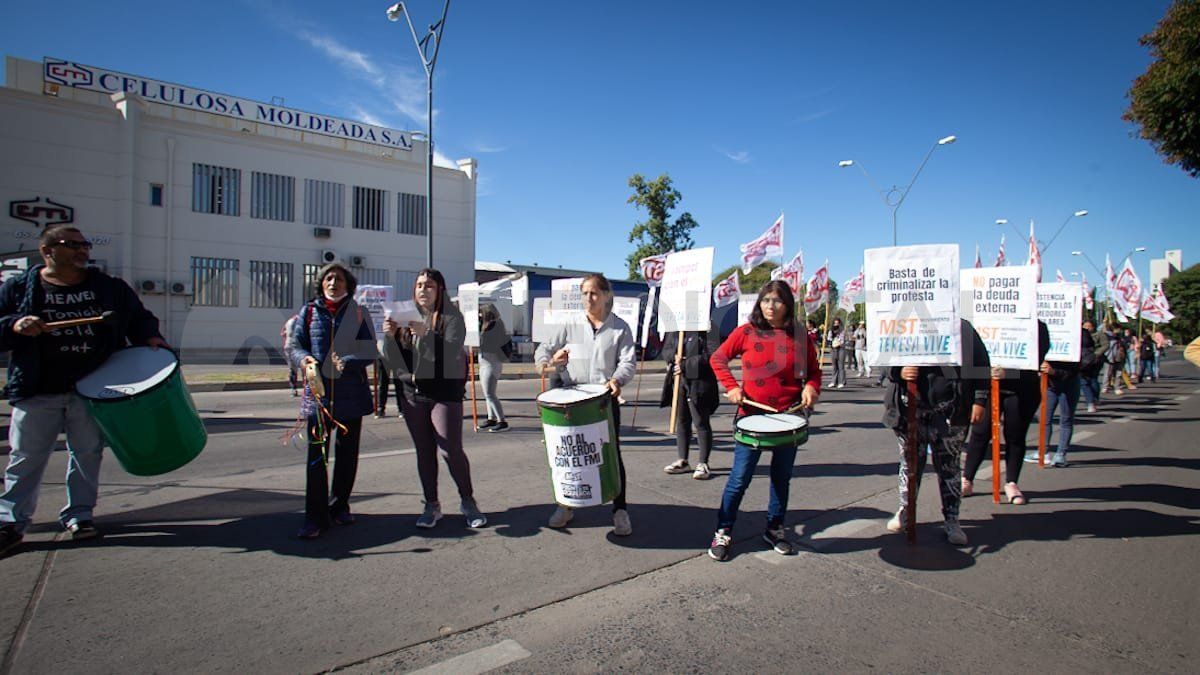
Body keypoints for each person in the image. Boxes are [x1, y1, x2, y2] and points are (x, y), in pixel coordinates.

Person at [0, 226, 168, 556]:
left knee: (86, 454)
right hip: (37, 389)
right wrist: (14, 325)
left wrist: (151, 339)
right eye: (72, 245)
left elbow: (139, 319)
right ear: (48, 251)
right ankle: (11, 523)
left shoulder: (109, 288)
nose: (82, 251)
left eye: (84, 245)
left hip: (92, 389)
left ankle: (79, 515)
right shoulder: (20, 287)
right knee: (25, 458)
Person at [706, 280, 821, 561]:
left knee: (781, 479)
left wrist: (811, 388)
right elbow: (718, 359)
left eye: (777, 301)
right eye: (766, 300)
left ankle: (775, 528)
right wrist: (732, 387)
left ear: (787, 305)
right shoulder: (746, 332)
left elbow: (814, 371)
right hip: (752, 417)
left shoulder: (799, 335)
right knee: (739, 478)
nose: (770, 306)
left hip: (788, 418)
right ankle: (723, 529)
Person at [383, 268, 486, 529]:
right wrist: (390, 336)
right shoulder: (405, 318)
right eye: (419, 285)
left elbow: (451, 352)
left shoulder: (452, 318)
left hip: (444, 393)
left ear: (439, 289)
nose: (422, 290)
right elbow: (393, 361)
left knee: (450, 449)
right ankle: (432, 504)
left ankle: (468, 501)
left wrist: (427, 334)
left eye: (428, 285)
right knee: (424, 451)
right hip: (412, 394)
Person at [534, 274, 637, 535]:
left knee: (610, 454)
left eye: (594, 293)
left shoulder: (620, 328)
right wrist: (549, 363)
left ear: (606, 295)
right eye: (584, 293)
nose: (588, 299)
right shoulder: (569, 324)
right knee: (568, 457)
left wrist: (617, 379)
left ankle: (620, 509)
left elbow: (627, 362)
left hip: (603, 401)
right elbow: (543, 351)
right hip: (570, 401)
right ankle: (566, 505)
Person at [288, 263, 377, 539]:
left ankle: (340, 507)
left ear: (348, 285)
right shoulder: (310, 311)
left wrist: (346, 362)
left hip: (352, 395)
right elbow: (294, 345)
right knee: (317, 459)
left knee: (347, 456)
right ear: (321, 284)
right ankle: (314, 518)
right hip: (318, 399)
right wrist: (304, 359)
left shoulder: (359, 313)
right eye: (328, 278)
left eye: (339, 279)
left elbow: (370, 350)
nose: (333, 283)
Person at [882, 319, 989, 546]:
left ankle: (952, 520)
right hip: (908, 410)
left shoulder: (962, 328)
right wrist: (898, 371)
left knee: (949, 467)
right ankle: (906, 511)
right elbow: (882, 357)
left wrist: (979, 400)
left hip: (950, 412)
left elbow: (981, 363)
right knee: (909, 464)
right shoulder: (901, 323)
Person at [962, 322, 1049, 504]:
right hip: (988, 387)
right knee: (980, 433)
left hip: (1021, 389)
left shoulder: (1035, 325)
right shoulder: (984, 319)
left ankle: (1011, 483)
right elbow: (973, 356)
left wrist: (1008, 373)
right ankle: (967, 479)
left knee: (1015, 435)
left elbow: (1033, 359)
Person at [660, 330, 720, 480]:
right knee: (682, 420)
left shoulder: (709, 329)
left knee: (700, 421)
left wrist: (686, 364)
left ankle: (703, 463)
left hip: (699, 383)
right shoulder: (677, 329)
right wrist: (673, 358)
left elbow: (711, 354)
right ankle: (683, 459)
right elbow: (666, 349)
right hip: (679, 381)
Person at [1042, 322, 1085, 469]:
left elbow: (1077, 368)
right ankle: (1044, 452)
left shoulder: (1077, 338)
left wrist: (1054, 372)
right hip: (1050, 385)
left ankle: (1061, 454)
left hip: (1069, 384)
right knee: (1045, 419)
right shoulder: (1044, 335)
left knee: (1065, 419)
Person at [477, 304, 510, 432]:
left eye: (481, 313)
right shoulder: (488, 325)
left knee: (490, 394)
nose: (479, 316)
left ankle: (502, 420)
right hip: (485, 362)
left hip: (491, 363)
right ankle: (491, 418)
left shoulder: (494, 325)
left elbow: (487, 342)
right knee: (487, 394)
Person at [1080, 319, 1104, 413]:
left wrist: (1096, 354)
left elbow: (1105, 345)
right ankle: (1091, 402)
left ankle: (1094, 399)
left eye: (1089, 326)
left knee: (1093, 380)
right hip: (1082, 360)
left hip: (1093, 360)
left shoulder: (1099, 335)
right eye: (1085, 326)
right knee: (1084, 382)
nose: (1087, 328)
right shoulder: (1079, 333)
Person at [1102, 323, 1127, 395]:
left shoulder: (1119, 337)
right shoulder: (1107, 336)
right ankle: (1105, 387)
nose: (1120, 330)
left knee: (1118, 373)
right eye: (1118, 329)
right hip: (1109, 357)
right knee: (1108, 373)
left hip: (1119, 357)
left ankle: (1117, 387)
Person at [282, 314, 300, 396]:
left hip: (288, 346)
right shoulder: (301, 320)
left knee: (292, 369)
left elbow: (282, 334)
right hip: (298, 347)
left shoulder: (288, 321)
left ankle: (293, 389)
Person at [827, 318, 847, 389]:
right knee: (834, 366)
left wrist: (838, 343)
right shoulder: (831, 331)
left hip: (840, 349)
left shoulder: (842, 331)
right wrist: (830, 343)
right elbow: (829, 339)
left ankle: (842, 381)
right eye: (835, 323)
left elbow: (842, 340)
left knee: (840, 366)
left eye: (837, 323)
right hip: (833, 349)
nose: (836, 324)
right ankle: (833, 381)